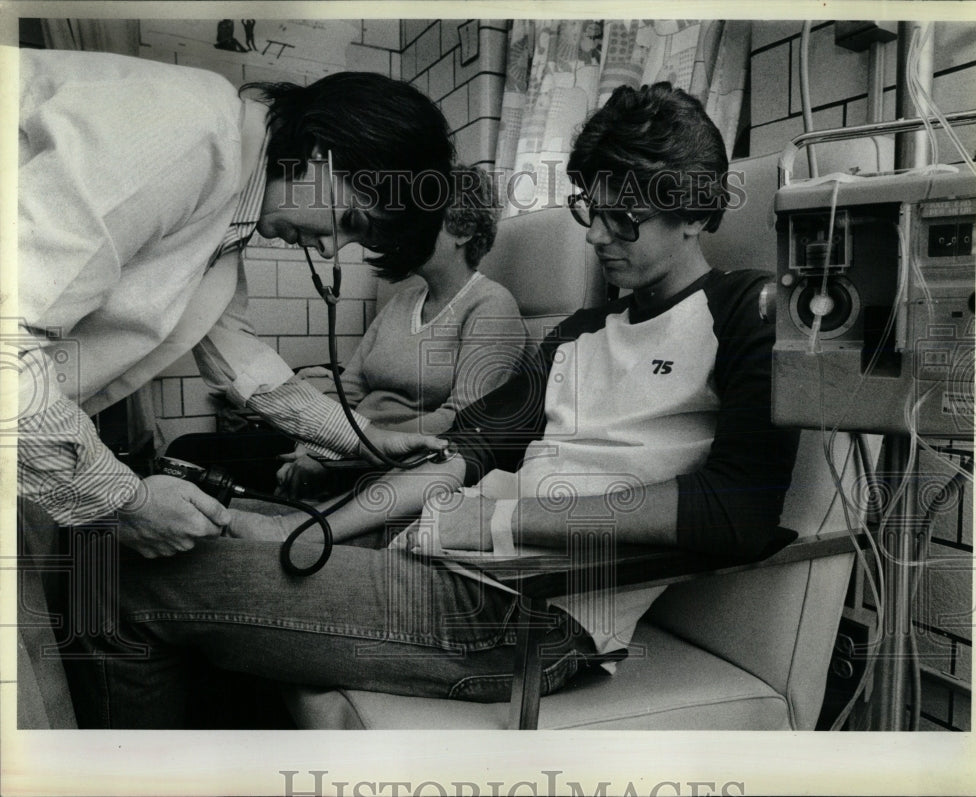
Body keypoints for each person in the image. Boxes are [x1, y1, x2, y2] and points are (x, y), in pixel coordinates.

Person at [74, 82, 800, 728]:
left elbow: (737, 511)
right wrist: (313, 526)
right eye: (589, 208)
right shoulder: (580, 333)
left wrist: (505, 515)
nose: (596, 234)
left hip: (531, 613)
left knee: (119, 586)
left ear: (695, 211)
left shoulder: (748, 309)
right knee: (148, 542)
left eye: (625, 217)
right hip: (447, 557)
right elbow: (464, 456)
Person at [15, 49, 453, 558]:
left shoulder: (227, 211)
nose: (331, 249)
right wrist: (124, 501)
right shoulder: (186, 132)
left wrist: (366, 439)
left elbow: (243, 365)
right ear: (322, 152)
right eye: (352, 221)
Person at [277, 164, 525, 498]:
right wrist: (311, 443)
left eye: (419, 220)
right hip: (343, 450)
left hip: (397, 470)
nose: (405, 232)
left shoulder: (492, 305)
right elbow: (347, 391)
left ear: (463, 230)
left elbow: (459, 422)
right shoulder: (401, 301)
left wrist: (342, 452)